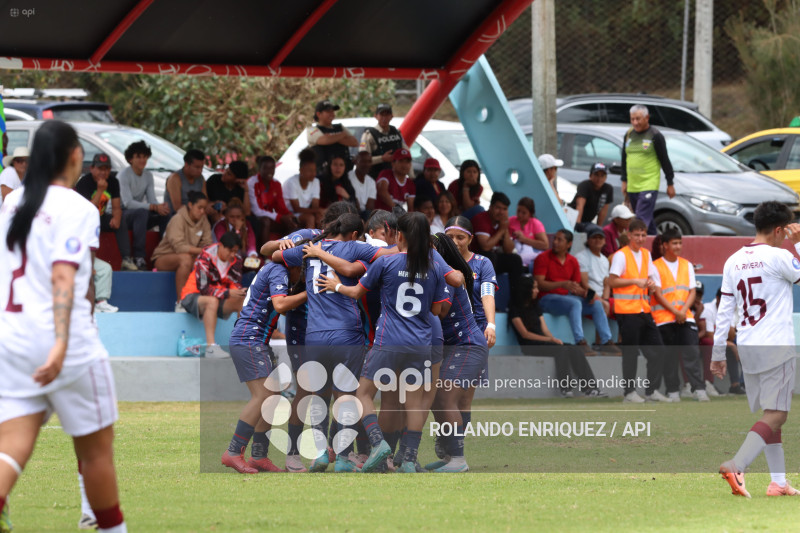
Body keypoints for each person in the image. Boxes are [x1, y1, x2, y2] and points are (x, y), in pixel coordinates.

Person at [0, 120, 127, 533]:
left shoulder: (12, 203)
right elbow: (63, 277)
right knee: (95, 453)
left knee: (13, 446)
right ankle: (107, 525)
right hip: (64, 344)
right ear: (75, 157)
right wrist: (59, 344)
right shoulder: (78, 208)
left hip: (13, 337)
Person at [316, 212, 451, 473]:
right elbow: (437, 310)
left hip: (388, 340)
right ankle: (409, 459)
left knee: (362, 394)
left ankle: (378, 443)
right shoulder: (434, 268)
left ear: (399, 235)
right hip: (420, 343)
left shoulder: (386, 263)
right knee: (413, 402)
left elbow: (357, 292)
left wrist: (336, 286)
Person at [275, 213, 388, 473]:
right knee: (345, 396)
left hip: (313, 335)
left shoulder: (310, 247)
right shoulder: (355, 247)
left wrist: (288, 244)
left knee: (318, 396)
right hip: (346, 334)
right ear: (354, 234)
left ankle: (319, 455)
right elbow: (386, 254)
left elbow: (273, 256)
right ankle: (344, 457)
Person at [712, 201, 800, 497]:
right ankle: (737, 465)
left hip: (748, 346)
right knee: (777, 415)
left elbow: (725, 310)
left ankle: (778, 481)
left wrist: (717, 353)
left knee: (770, 413)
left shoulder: (733, 260)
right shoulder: (780, 256)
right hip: (776, 345)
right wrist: (798, 244)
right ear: (779, 230)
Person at [222, 260, 308, 474]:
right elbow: (280, 305)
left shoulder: (274, 269)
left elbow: (279, 307)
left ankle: (259, 456)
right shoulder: (279, 271)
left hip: (255, 340)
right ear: (295, 265)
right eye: (303, 270)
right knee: (262, 396)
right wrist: (310, 294)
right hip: (249, 339)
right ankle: (233, 452)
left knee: (273, 398)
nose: (302, 276)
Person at [509, 276, 605, 397]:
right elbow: (525, 334)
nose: (537, 291)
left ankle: (590, 388)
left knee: (574, 349)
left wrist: (554, 339)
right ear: (525, 290)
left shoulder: (535, 307)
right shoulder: (515, 310)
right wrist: (549, 340)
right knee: (562, 350)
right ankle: (566, 388)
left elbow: (544, 330)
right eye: (534, 288)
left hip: (544, 342)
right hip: (530, 345)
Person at [608, 218, 667, 403]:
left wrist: (650, 284)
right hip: (627, 312)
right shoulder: (621, 255)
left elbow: (650, 279)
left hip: (643, 310)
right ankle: (629, 393)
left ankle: (651, 391)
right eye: (637, 235)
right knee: (631, 353)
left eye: (643, 235)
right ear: (629, 234)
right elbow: (612, 281)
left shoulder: (646, 254)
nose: (641, 238)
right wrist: (635, 281)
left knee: (659, 350)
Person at [649, 228, 708, 402]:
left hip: (685, 316)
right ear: (665, 245)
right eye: (674, 243)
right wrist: (676, 312)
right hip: (664, 319)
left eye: (679, 242)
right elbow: (658, 294)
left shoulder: (686, 264)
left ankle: (699, 389)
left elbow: (691, 291)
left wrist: (682, 312)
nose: (678, 246)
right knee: (669, 356)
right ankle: (672, 390)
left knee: (692, 353)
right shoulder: (655, 266)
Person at [534, 229, 615, 355]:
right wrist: (562, 284)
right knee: (574, 303)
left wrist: (587, 295)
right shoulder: (543, 258)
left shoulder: (572, 261)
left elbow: (575, 287)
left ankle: (606, 342)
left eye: (559, 240)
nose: (555, 242)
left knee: (597, 304)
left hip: (566, 298)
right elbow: (539, 284)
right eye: (555, 239)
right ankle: (580, 342)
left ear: (569, 244)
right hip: (546, 299)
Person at [179, 232, 246, 358]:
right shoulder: (205, 256)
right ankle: (211, 348)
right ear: (220, 245)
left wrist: (238, 291)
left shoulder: (236, 259)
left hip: (219, 296)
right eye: (230, 251)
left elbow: (235, 283)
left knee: (242, 300)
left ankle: (241, 345)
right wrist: (228, 292)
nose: (232, 254)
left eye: (235, 251)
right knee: (212, 301)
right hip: (193, 295)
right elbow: (203, 288)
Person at [151, 191, 213, 310]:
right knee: (186, 259)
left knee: (204, 260)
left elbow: (208, 244)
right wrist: (201, 251)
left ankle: (204, 302)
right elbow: (179, 247)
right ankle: (181, 303)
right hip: (163, 258)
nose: (202, 211)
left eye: (204, 208)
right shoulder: (177, 219)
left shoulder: (204, 220)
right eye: (199, 207)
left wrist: (203, 252)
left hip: (189, 257)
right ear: (190, 205)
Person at [75, 153, 136, 271]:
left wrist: (117, 218)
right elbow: (88, 210)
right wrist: (100, 190)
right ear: (92, 168)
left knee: (121, 220)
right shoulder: (84, 182)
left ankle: (126, 259)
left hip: (100, 218)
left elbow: (116, 207)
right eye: (100, 169)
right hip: (85, 220)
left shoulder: (113, 181)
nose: (103, 172)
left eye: (106, 169)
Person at [621, 104, 675, 235]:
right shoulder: (629, 134)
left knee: (639, 219)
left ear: (647, 118)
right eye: (632, 119)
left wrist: (670, 183)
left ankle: (637, 250)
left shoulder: (655, 135)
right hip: (633, 184)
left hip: (648, 184)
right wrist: (624, 180)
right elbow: (624, 158)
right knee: (647, 221)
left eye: (638, 119)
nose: (635, 122)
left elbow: (664, 160)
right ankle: (656, 247)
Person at [445, 216, 497, 348]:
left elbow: (487, 295)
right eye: (449, 237)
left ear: (470, 239)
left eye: (460, 238)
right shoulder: (437, 262)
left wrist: (491, 325)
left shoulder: (483, 263)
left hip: (476, 328)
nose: (454, 242)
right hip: (445, 328)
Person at [118, 140, 170, 270]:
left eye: (145, 157)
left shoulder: (148, 175)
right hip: (121, 215)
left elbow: (152, 200)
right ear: (130, 159)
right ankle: (139, 257)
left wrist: (160, 208)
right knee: (142, 212)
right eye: (138, 157)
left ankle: (164, 252)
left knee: (164, 214)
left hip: (139, 216)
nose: (142, 160)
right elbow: (128, 203)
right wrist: (153, 207)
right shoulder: (123, 175)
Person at [471, 192, 525, 297]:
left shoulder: (503, 222)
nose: (501, 212)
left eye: (504, 209)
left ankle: (515, 305)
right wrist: (501, 230)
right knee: (490, 257)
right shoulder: (481, 218)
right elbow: (485, 246)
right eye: (498, 208)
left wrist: (504, 230)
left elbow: (509, 250)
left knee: (515, 260)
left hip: (492, 260)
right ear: (491, 207)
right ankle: (485, 299)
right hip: (474, 260)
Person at [247, 155, 297, 246]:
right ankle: (265, 256)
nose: (269, 171)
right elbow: (256, 211)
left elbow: (281, 207)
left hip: (270, 217)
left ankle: (286, 252)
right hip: (253, 218)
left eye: (272, 168)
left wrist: (289, 216)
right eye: (265, 168)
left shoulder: (276, 184)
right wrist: (279, 217)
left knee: (291, 222)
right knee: (266, 221)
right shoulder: (252, 182)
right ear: (259, 169)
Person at [575, 227, 614, 323]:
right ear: (588, 240)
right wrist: (602, 301)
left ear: (604, 241)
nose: (598, 240)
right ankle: (602, 338)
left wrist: (605, 299)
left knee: (624, 306)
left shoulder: (605, 259)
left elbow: (606, 283)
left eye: (600, 238)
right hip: (586, 294)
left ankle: (620, 338)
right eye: (594, 237)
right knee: (604, 306)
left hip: (601, 295)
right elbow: (584, 284)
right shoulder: (581, 256)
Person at [307, 100, 358, 174]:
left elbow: (354, 142)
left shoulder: (340, 127)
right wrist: (342, 135)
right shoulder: (312, 129)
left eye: (332, 112)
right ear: (318, 114)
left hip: (343, 173)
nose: (332, 114)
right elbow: (324, 140)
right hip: (324, 174)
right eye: (328, 112)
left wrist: (333, 137)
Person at [360, 103, 408, 178]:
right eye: (382, 115)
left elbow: (406, 154)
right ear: (376, 116)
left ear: (391, 116)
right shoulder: (369, 135)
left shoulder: (396, 132)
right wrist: (382, 158)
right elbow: (362, 160)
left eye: (387, 115)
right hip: (376, 178)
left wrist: (411, 176)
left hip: (396, 178)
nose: (384, 118)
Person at [283, 148, 323, 229]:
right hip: (290, 214)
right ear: (301, 170)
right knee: (310, 218)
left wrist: (318, 213)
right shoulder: (291, 182)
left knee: (320, 217)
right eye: (310, 170)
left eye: (315, 170)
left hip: (305, 212)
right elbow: (296, 209)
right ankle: (310, 241)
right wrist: (319, 210)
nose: (313, 174)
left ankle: (322, 240)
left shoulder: (316, 181)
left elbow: (315, 206)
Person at [569, 162, 613, 231]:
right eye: (596, 175)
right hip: (572, 218)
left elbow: (603, 211)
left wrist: (599, 228)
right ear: (590, 176)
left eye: (602, 175)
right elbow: (580, 206)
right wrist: (577, 226)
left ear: (606, 177)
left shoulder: (608, 189)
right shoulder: (585, 185)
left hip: (588, 222)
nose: (599, 178)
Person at [509, 196, 549, 268]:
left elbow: (545, 245)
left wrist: (524, 239)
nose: (520, 215)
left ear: (530, 213)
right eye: (518, 211)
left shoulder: (536, 224)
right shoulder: (511, 220)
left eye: (524, 213)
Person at [165, 149, 207, 215]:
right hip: (176, 217)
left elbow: (205, 202)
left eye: (202, 167)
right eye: (197, 167)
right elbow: (177, 208)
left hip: (196, 215)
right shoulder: (175, 178)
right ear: (187, 164)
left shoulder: (201, 179)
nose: (200, 171)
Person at [347, 151, 377, 218]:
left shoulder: (371, 182)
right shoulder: (348, 177)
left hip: (364, 214)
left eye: (369, 161)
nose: (366, 164)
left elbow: (370, 207)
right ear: (355, 161)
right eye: (363, 161)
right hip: (349, 213)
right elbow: (354, 204)